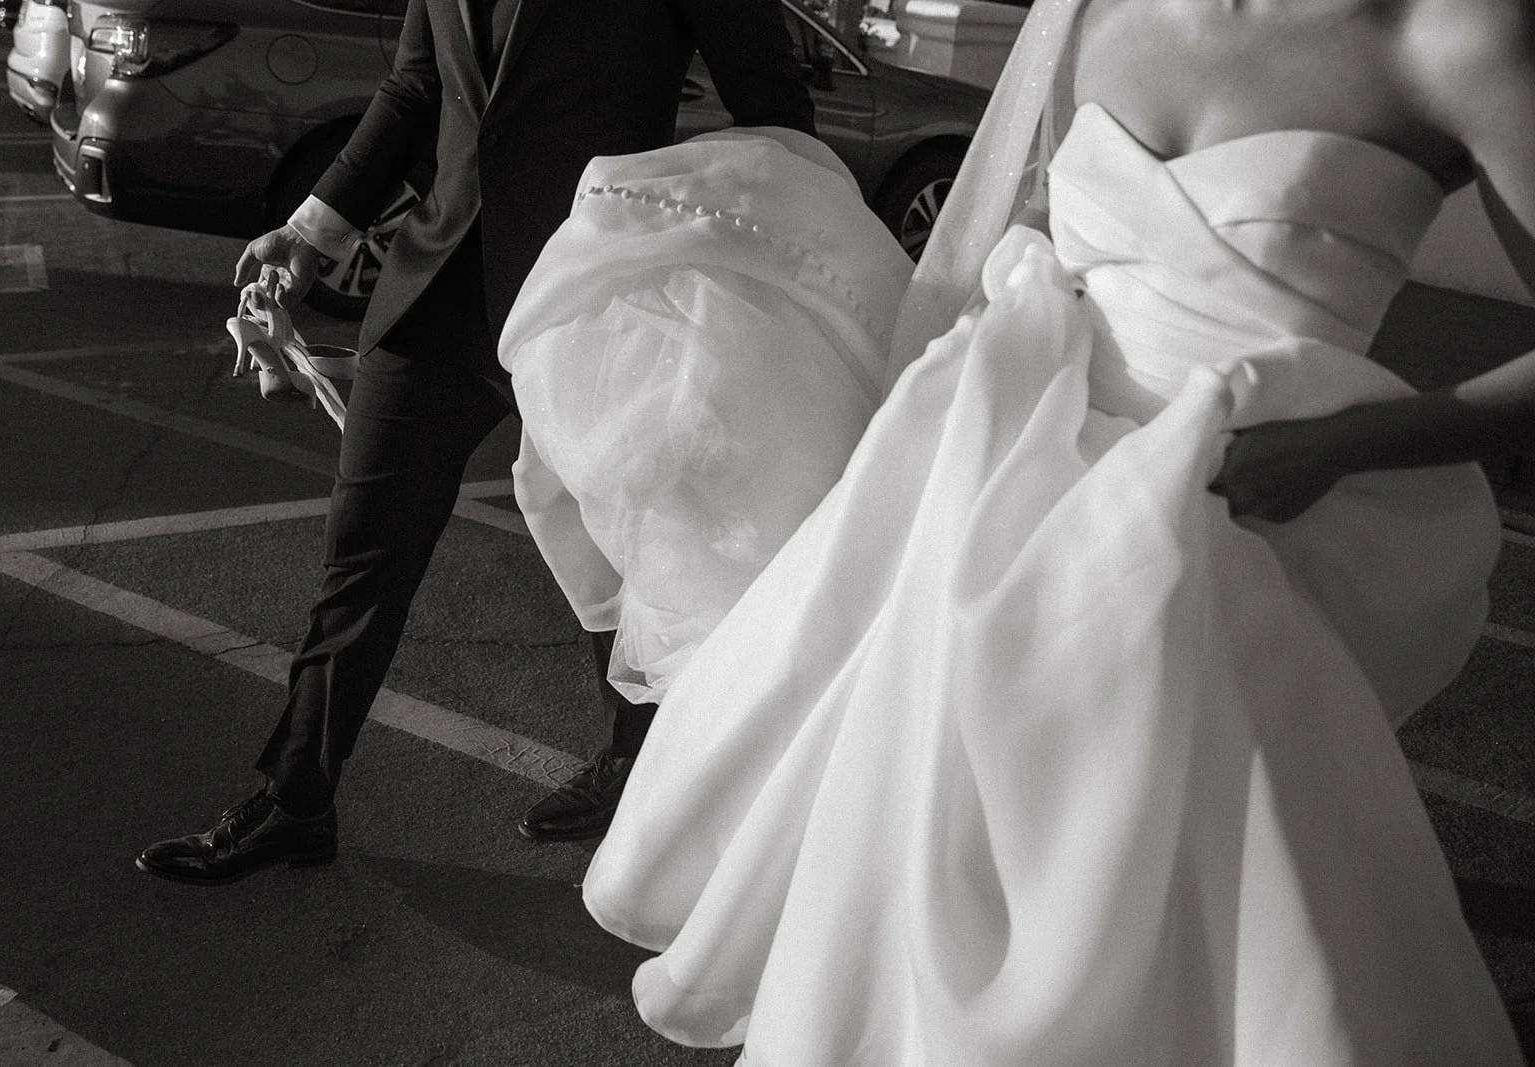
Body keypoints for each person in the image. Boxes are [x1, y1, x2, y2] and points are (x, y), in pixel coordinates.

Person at [501, 0, 1535, 1059]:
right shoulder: (1102, 11)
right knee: (909, 885)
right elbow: (1041, 233)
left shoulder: (1455, 38)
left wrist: (1342, 445)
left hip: (1212, 538)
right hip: (988, 499)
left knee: (1170, 938)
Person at [134, 0, 816, 884]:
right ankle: (296, 796)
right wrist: (311, 232)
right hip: (440, 290)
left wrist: (706, 251)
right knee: (364, 547)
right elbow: (417, 85)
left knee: (625, 548)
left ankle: (636, 762)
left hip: (590, 296)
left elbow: (775, 116)